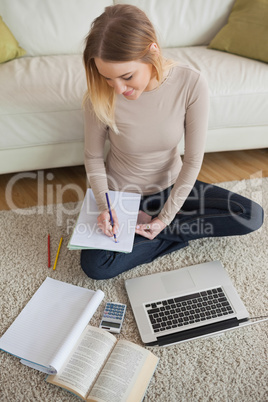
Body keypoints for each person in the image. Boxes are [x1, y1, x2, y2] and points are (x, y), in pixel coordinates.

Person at [81, 4, 263, 280]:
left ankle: (155, 232)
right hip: (123, 195)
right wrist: (107, 208)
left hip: (173, 187)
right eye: (108, 78)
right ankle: (168, 231)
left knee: (250, 215)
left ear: (152, 51)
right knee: (96, 266)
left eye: (127, 76)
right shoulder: (98, 95)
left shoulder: (190, 83)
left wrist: (164, 219)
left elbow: (192, 160)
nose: (118, 88)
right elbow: (93, 158)